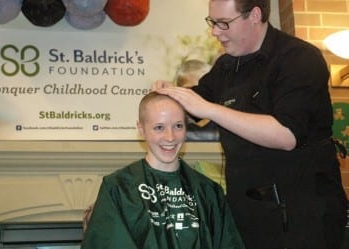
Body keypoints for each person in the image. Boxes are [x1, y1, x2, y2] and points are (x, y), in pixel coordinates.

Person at [153, 0, 348, 249]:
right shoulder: (225, 67)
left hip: (302, 216)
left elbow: (286, 134)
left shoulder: (299, 59)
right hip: (246, 214)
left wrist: (210, 109)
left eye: (224, 23)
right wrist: (165, 98)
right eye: (213, 23)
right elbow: (193, 104)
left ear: (254, 15)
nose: (215, 32)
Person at [80, 92, 245, 249]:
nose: (170, 137)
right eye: (159, 127)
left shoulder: (208, 191)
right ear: (142, 129)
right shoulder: (118, 189)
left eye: (178, 126)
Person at [175, 59, 220, 141]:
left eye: (205, 91)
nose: (195, 96)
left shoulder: (221, 120)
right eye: (189, 91)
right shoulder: (177, 121)